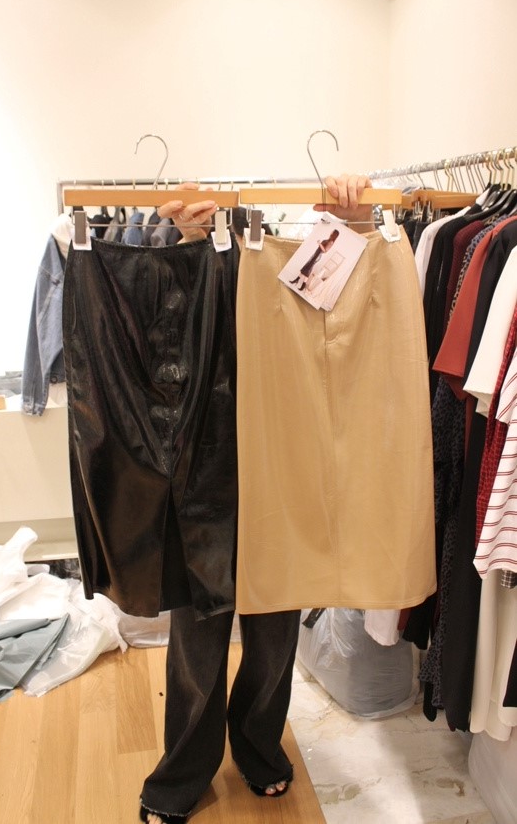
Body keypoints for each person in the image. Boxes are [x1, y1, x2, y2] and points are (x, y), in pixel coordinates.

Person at [138, 175, 374, 824]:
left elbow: (346, 311)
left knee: (274, 630)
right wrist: (188, 243)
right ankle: (185, 767)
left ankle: (258, 742)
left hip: (286, 462)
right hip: (205, 464)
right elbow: (159, 339)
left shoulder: (296, 253)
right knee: (198, 630)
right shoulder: (200, 253)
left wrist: (355, 222)